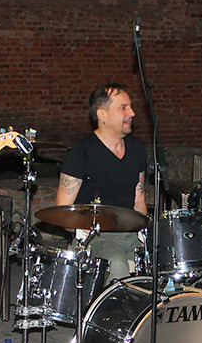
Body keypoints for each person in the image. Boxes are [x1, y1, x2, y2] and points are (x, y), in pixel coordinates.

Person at [55, 83, 148, 281]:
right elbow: (62, 211)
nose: (132, 113)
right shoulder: (81, 152)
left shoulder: (137, 149)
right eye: (123, 108)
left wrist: (143, 232)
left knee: (164, 258)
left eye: (131, 106)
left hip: (130, 233)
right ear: (102, 114)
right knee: (116, 263)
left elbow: (139, 200)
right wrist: (79, 229)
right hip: (96, 236)